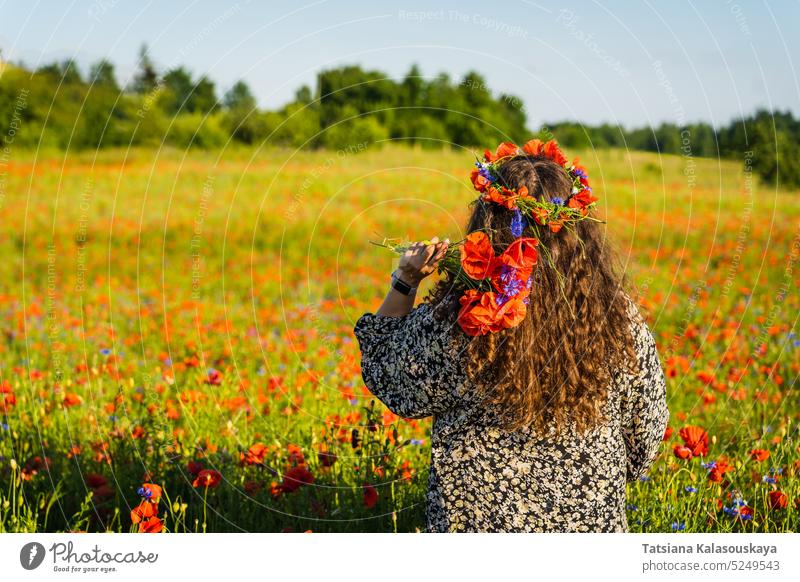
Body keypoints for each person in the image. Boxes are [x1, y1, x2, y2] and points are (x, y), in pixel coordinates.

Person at [353, 140, 669, 532]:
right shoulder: (617, 317)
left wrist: (405, 280)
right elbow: (645, 434)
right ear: (580, 231)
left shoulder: (467, 318)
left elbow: (387, 372)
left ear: (487, 223)